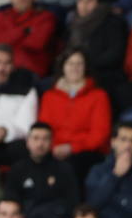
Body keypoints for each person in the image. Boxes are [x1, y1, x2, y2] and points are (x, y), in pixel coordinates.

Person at [38, 48, 113, 185]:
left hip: (86, 152)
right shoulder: (49, 96)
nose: (75, 68)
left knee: (70, 166)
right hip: (54, 149)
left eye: (79, 64)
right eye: (70, 63)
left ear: (86, 67)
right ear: (63, 67)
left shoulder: (98, 96)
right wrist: (53, 147)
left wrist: (72, 148)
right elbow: (44, 129)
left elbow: (100, 134)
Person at [6, 123, 81, 218]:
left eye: (45, 139)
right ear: (28, 142)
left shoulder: (64, 169)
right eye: (36, 138)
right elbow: (12, 202)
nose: (40, 144)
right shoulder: (17, 170)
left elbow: (72, 202)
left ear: (51, 142)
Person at [59, 0, 129, 94]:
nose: (84, 5)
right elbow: (65, 52)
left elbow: (115, 54)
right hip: (74, 71)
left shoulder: (112, 22)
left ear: (99, 3)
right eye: (80, 1)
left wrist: (85, 66)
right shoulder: (73, 23)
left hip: (104, 75)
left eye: (89, 1)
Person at [0, 0, 56, 79]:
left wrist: (7, 38)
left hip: (31, 71)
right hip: (1, 70)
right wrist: (24, 30)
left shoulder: (45, 17)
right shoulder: (1, 15)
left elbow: (36, 43)